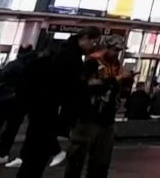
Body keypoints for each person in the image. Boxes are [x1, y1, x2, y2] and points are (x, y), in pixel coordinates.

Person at [17, 28, 100, 178]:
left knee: (35, 151)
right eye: (93, 42)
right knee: (38, 152)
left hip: (41, 106)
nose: (93, 46)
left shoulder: (63, 51)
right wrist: (86, 84)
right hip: (48, 107)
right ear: (85, 38)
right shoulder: (71, 56)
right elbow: (68, 85)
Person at [63, 38, 124, 178]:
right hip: (89, 116)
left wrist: (121, 85)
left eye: (119, 51)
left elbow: (114, 89)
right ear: (106, 47)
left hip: (107, 117)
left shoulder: (116, 64)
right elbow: (85, 85)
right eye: (115, 50)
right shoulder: (93, 62)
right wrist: (112, 81)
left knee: (101, 160)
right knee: (77, 157)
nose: (117, 53)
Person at [0, 46, 33, 167]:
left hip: (6, 98)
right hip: (22, 101)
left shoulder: (14, 65)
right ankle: (3, 153)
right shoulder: (31, 66)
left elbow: (0, 76)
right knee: (11, 129)